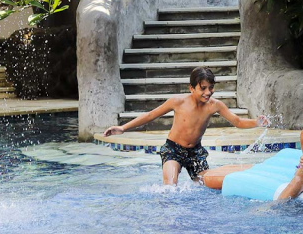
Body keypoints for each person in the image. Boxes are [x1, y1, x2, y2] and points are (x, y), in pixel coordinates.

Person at [102, 66, 268, 185]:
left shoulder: (214, 105)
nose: (208, 92)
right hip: (173, 149)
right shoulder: (178, 102)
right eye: (203, 88)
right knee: (170, 187)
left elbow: (237, 121)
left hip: (195, 152)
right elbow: (150, 115)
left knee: (205, 185)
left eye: (211, 88)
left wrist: (256, 122)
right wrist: (123, 128)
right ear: (191, 88)